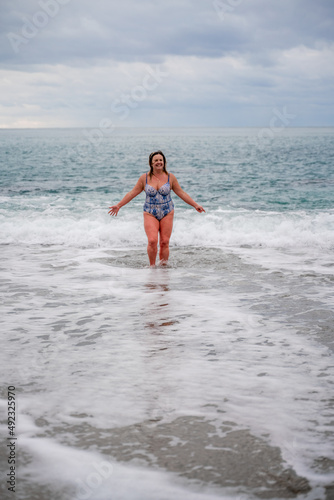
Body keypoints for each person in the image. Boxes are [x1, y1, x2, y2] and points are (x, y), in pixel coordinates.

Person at [108, 151, 205, 266]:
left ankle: (163, 269)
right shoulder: (144, 178)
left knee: (164, 242)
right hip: (150, 212)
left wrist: (195, 205)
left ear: (164, 162)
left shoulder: (170, 177)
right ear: (151, 163)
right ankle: (152, 268)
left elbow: (181, 193)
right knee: (152, 241)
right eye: (156, 161)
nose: (159, 162)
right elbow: (132, 193)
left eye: (161, 160)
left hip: (167, 211)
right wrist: (119, 205)